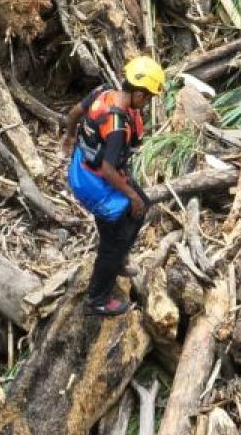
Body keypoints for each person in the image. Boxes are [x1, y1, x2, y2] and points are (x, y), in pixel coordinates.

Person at [62, 55, 165, 316]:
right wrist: (131, 195)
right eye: (148, 98)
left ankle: (118, 259)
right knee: (115, 236)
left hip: (84, 166)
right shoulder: (117, 125)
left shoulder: (104, 92)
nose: (147, 104)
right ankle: (97, 299)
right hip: (94, 182)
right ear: (139, 95)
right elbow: (108, 170)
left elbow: (75, 112)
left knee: (142, 206)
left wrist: (69, 135)